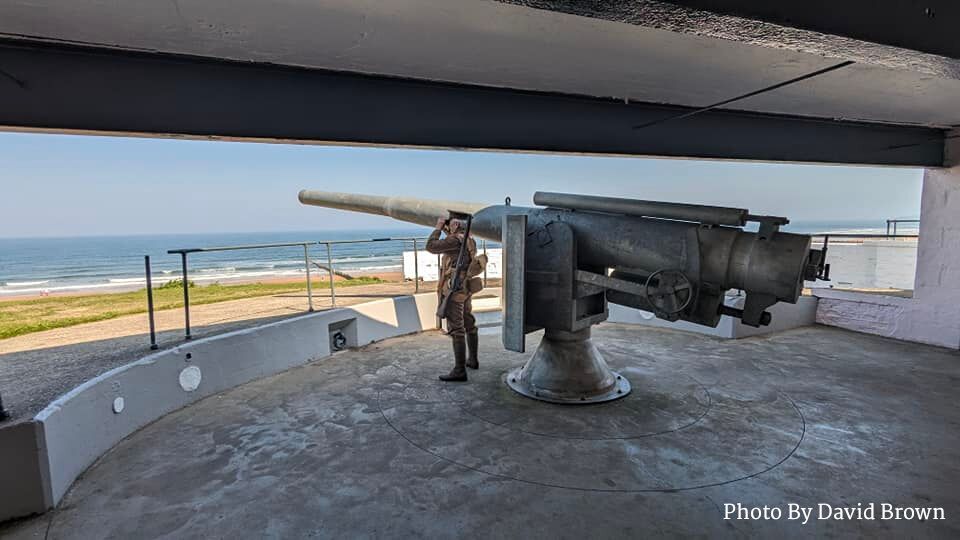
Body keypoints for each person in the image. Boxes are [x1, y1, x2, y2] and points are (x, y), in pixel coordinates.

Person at [426, 217, 479, 381]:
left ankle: (459, 370)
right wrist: (448, 230)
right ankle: (473, 359)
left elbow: (431, 246)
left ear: (454, 226)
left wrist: (438, 226)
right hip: (465, 287)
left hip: (453, 289)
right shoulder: (469, 239)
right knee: (468, 321)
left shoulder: (454, 241)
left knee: (456, 328)